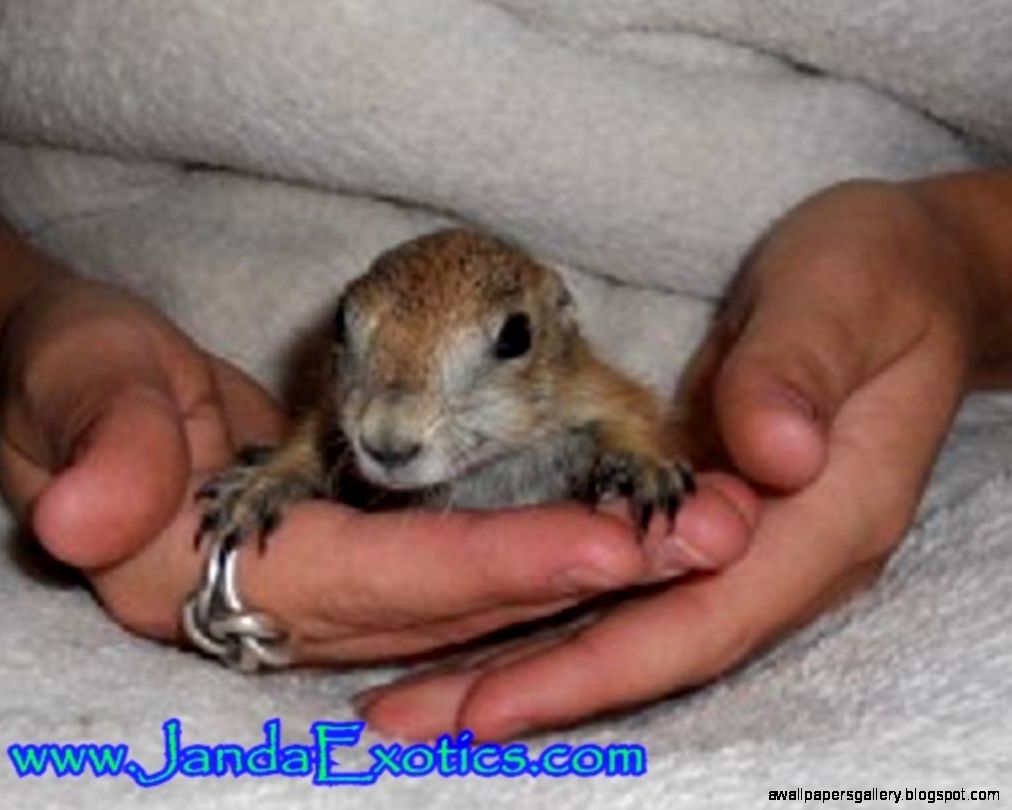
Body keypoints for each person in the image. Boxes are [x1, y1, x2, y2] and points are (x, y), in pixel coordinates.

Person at [1, 170, 1009, 740]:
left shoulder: (579, 380)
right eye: (355, 352)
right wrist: (272, 479)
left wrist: (954, 256)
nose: (390, 429)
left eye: (507, 347)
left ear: (551, 331)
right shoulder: (352, 408)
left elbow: (629, 425)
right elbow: (320, 440)